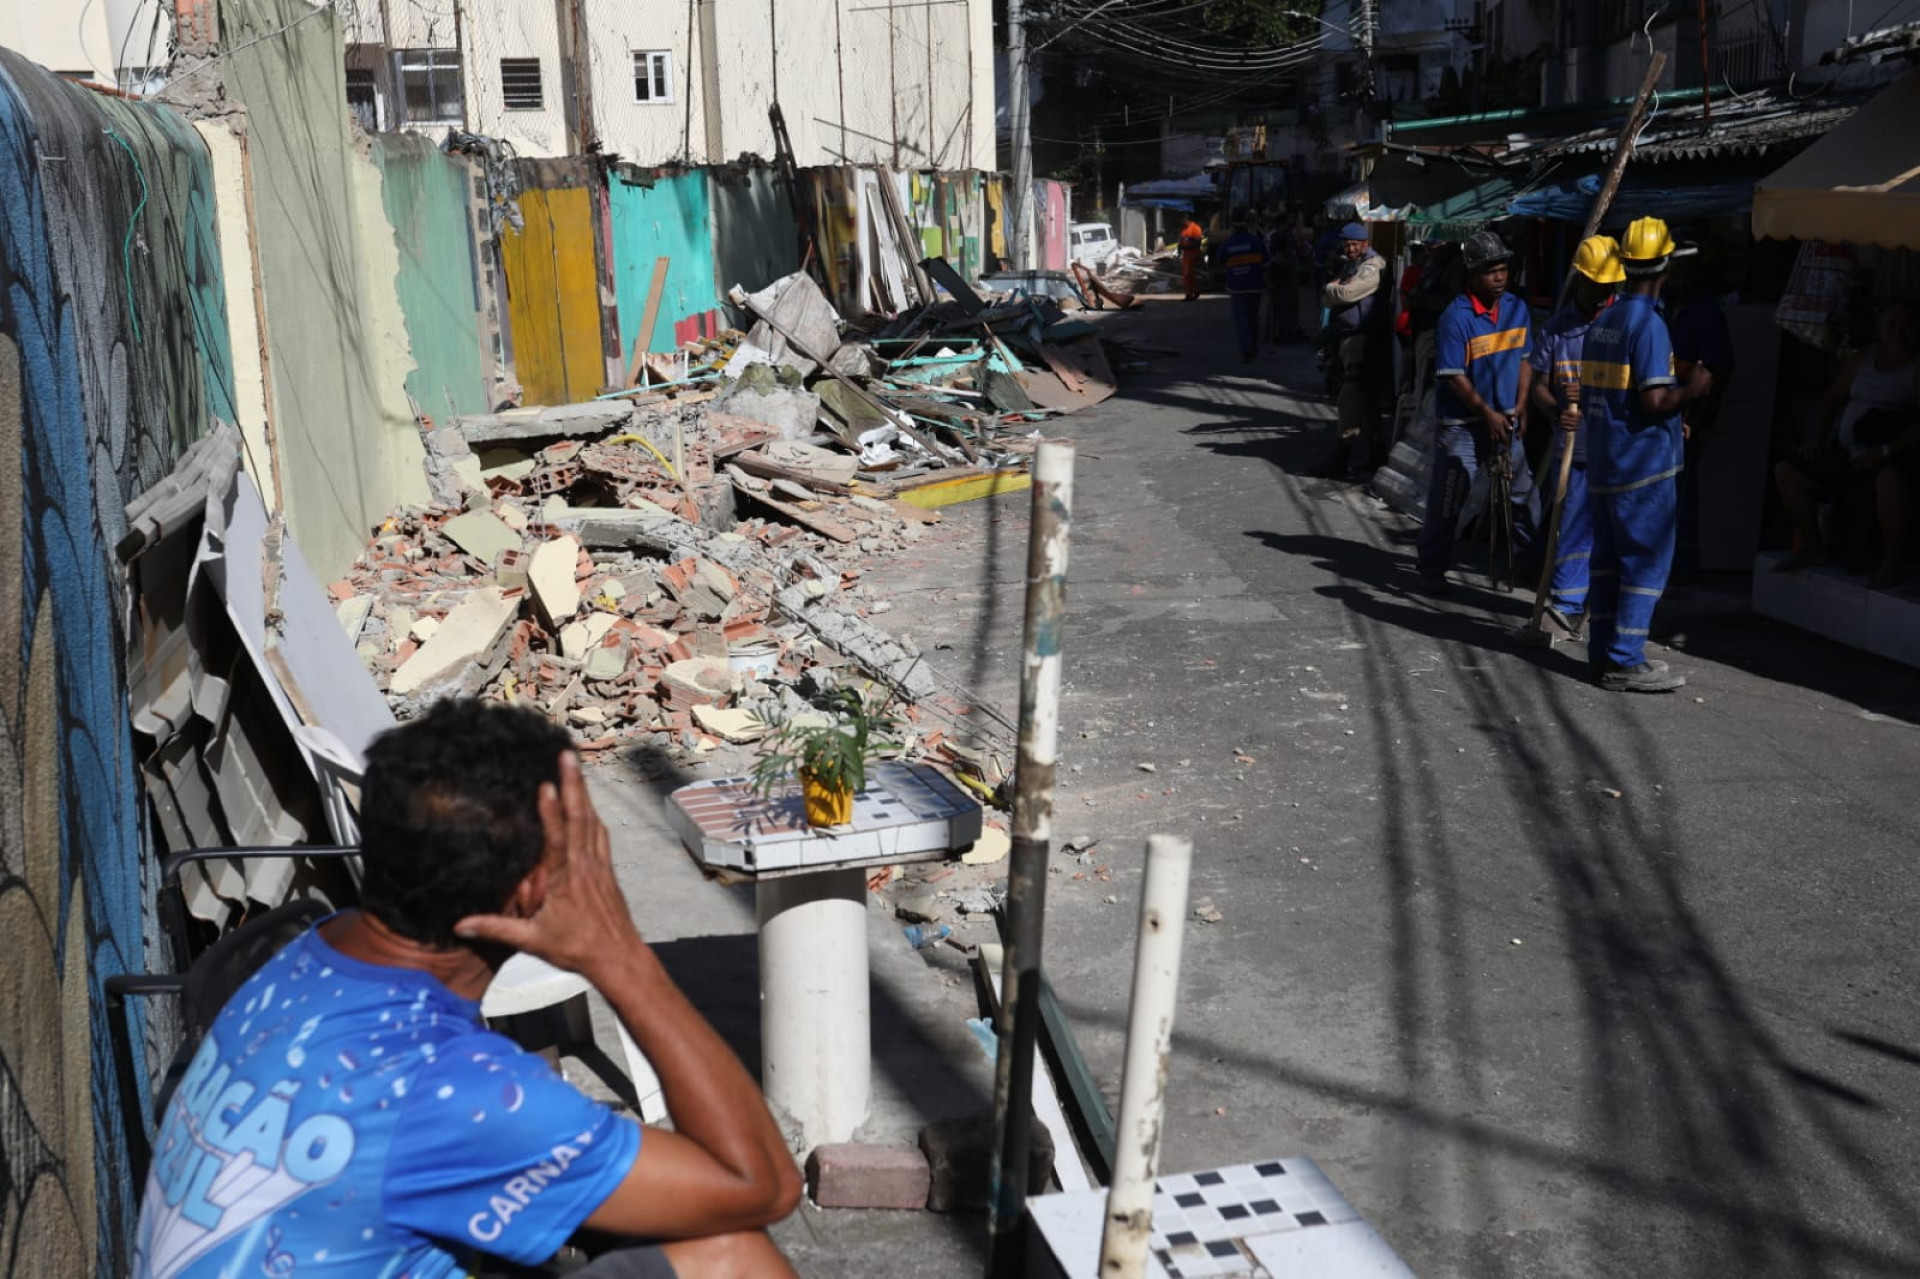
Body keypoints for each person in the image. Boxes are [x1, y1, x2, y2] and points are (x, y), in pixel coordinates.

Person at [134, 700, 803, 1279]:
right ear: (533, 890)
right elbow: (763, 1184)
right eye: (584, 849)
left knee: (631, 1212)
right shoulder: (457, 1091)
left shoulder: (315, 950)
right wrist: (622, 956)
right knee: (731, 1257)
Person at [1578, 216, 1716, 693]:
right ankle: (1625, 658)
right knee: (1645, 564)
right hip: (1643, 468)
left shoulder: (1605, 321)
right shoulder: (1650, 325)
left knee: (1608, 562)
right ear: (1665, 268)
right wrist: (1693, 390)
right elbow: (1654, 401)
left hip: (1604, 462)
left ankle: (1602, 653)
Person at [1416, 229, 1536, 593]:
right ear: (1471, 273)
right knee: (1449, 499)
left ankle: (1527, 567)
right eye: (1490, 271)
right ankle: (1432, 570)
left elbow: (1526, 360)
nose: (1499, 278)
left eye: (1503, 269)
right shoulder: (1456, 317)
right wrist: (1487, 412)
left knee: (1526, 497)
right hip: (1464, 426)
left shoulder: (1517, 308)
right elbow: (1453, 377)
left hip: (1505, 421)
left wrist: (1522, 404)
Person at [1772, 299, 1920, 588]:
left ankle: (1891, 560)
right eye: (1893, 325)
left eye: (1907, 326)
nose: (1899, 333)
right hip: (1846, 451)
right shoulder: (1864, 360)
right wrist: (1817, 438)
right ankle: (1812, 545)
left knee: (1890, 480)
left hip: (1888, 454)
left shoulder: (1916, 368)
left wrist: (1884, 452)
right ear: (1881, 329)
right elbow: (1829, 400)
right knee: (1786, 471)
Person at [1525, 235, 1624, 634]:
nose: (1600, 295)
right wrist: (1554, 410)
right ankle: (1566, 604)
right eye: (1593, 286)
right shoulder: (1558, 329)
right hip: (1575, 447)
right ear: (1580, 280)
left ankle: (1602, 608)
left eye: (1607, 288)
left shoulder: (1625, 324)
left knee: (1612, 533)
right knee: (1572, 525)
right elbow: (1539, 388)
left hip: (1617, 448)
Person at [1318, 221, 1389, 476]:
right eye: (1347, 244)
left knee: (1350, 398)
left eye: (1354, 244)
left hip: (1363, 339)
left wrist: (1330, 289)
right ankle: (1376, 454)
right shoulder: (1352, 264)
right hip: (1349, 338)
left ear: (1365, 244)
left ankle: (1342, 456)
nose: (1350, 248)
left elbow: (1346, 293)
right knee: (1366, 401)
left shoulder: (1373, 266)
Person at [1221, 208, 1268, 361]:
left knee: (1241, 319)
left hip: (1237, 286)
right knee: (1253, 318)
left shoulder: (1228, 244)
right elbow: (1266, 261)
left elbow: (1220, 262)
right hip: (1255, 284)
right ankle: (1253, 346)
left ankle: (1246, 348)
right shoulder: (1256, 241)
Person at [1265, 215, 1305, 344]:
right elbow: (1279, 258)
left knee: (1287, 306)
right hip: (1281, 277)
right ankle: (1281, 333)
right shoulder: (1279, 238)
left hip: (1284, 276)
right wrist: (1291, 264)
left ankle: (1286, 331)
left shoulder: (1284, 236)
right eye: (1288, 224)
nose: (1291, 227)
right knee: (1282, 306)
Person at [1178, 216, 1206, 301]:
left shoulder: (1195, 228)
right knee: (1187, 275)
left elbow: (1198, 242)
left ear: (1187, 219)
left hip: (1193, 255)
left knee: (1190, 275)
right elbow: (1181, 241)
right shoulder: (1184, 230)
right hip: (1186, 256)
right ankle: (1191, 292)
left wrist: (1186, 246)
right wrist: (1180, 248)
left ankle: (1191, 292)